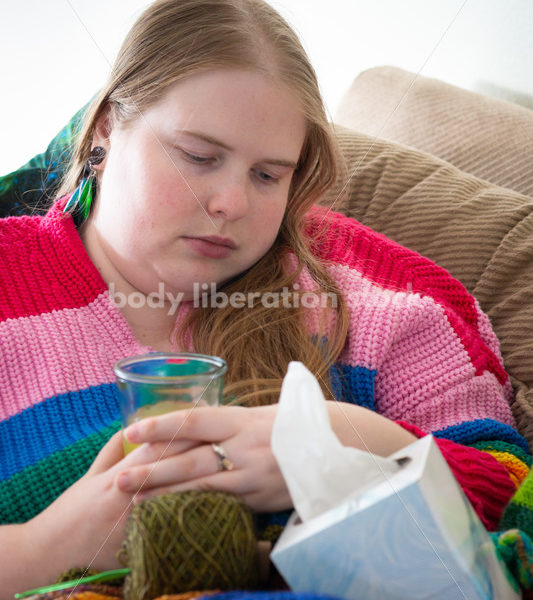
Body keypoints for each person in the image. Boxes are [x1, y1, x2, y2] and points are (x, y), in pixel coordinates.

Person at [0, 0, 529, 596]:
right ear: (105, 126)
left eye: (268, 175)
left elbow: (515, 504)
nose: (230, 204)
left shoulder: (385, 299)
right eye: (198, 157)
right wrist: (45, 544)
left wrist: (348, 444)